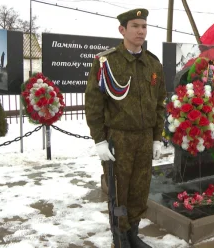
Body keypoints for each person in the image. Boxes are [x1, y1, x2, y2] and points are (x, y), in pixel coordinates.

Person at [85, 8, 166, 248]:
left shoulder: (153, 63)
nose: (141, 31)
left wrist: (156, 138)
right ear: (122, 30)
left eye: (144, 26)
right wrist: (99, 140)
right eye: (135, 26)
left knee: (139, 191)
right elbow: (93, 103)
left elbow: (160, 102)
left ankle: (132, 234)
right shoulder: (107, 62)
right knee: (118, 192)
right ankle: (119, 238)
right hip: (118, 139)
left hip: (143, 139)